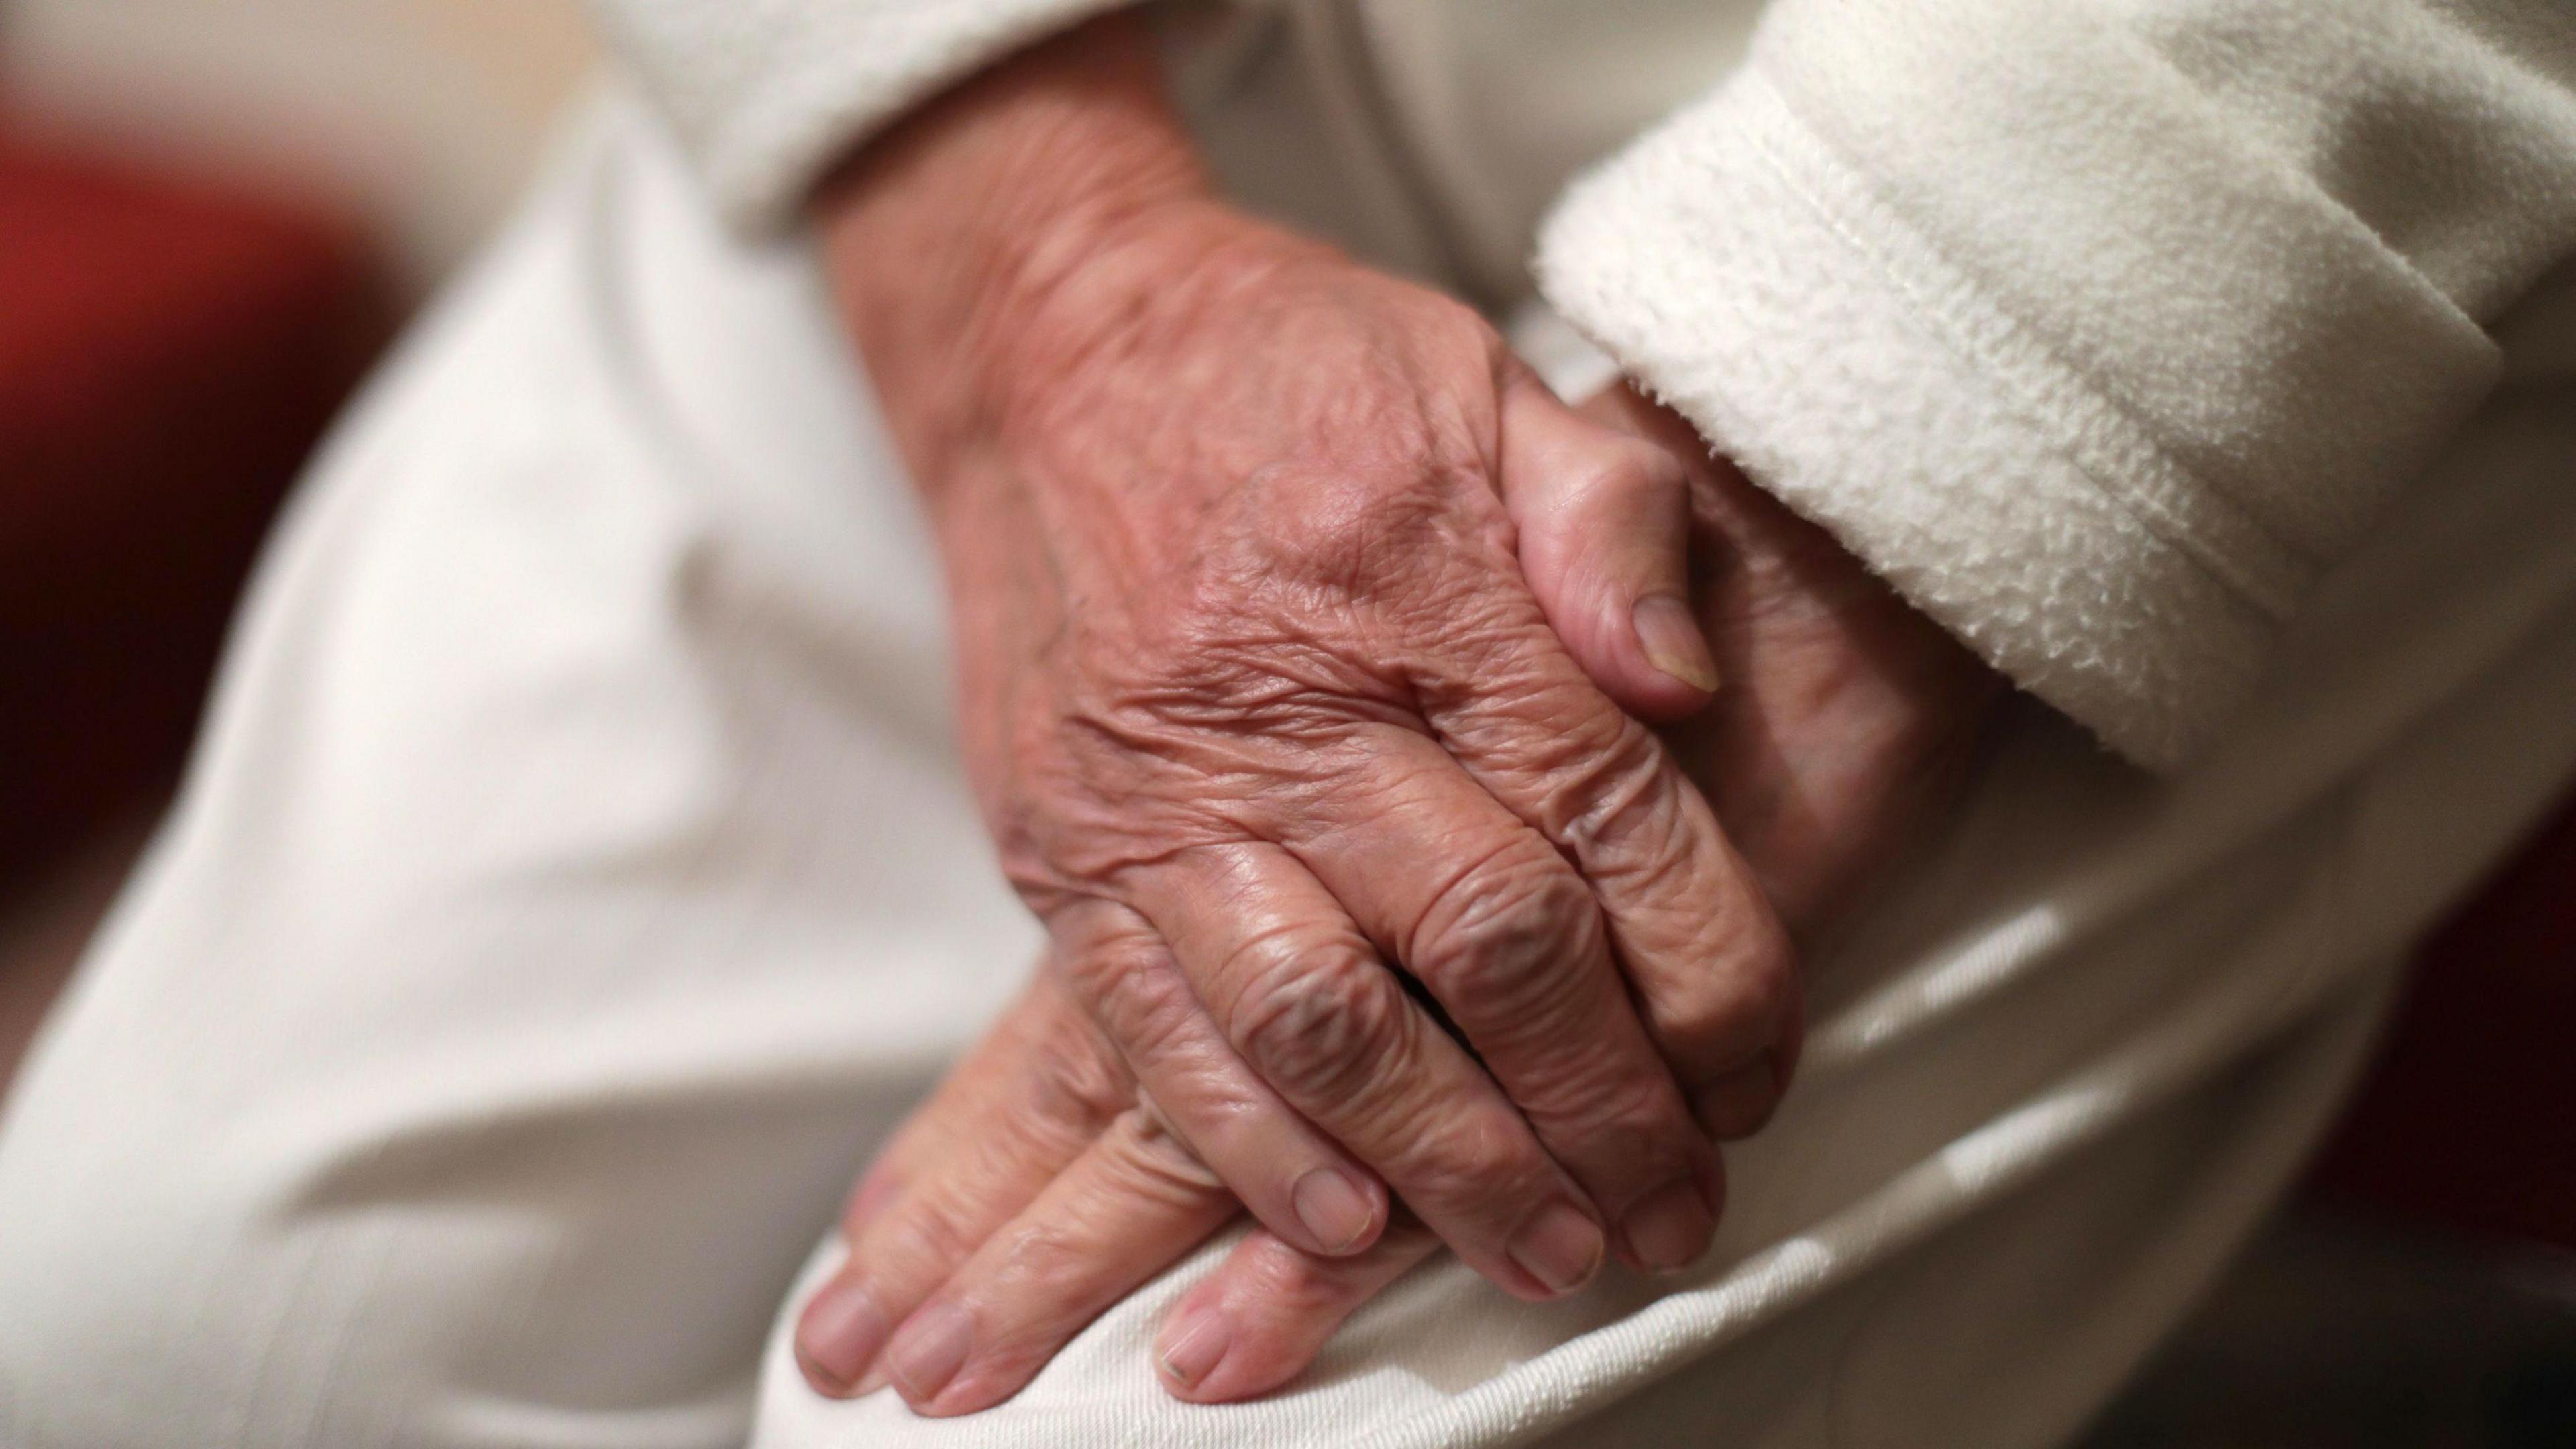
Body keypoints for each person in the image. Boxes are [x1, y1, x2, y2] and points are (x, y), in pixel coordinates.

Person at [3, 2, 2573, 1446]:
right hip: (1008, 79)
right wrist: (1031, 269)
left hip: (2133, 123)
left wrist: (1921, 421)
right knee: (174, 1344)